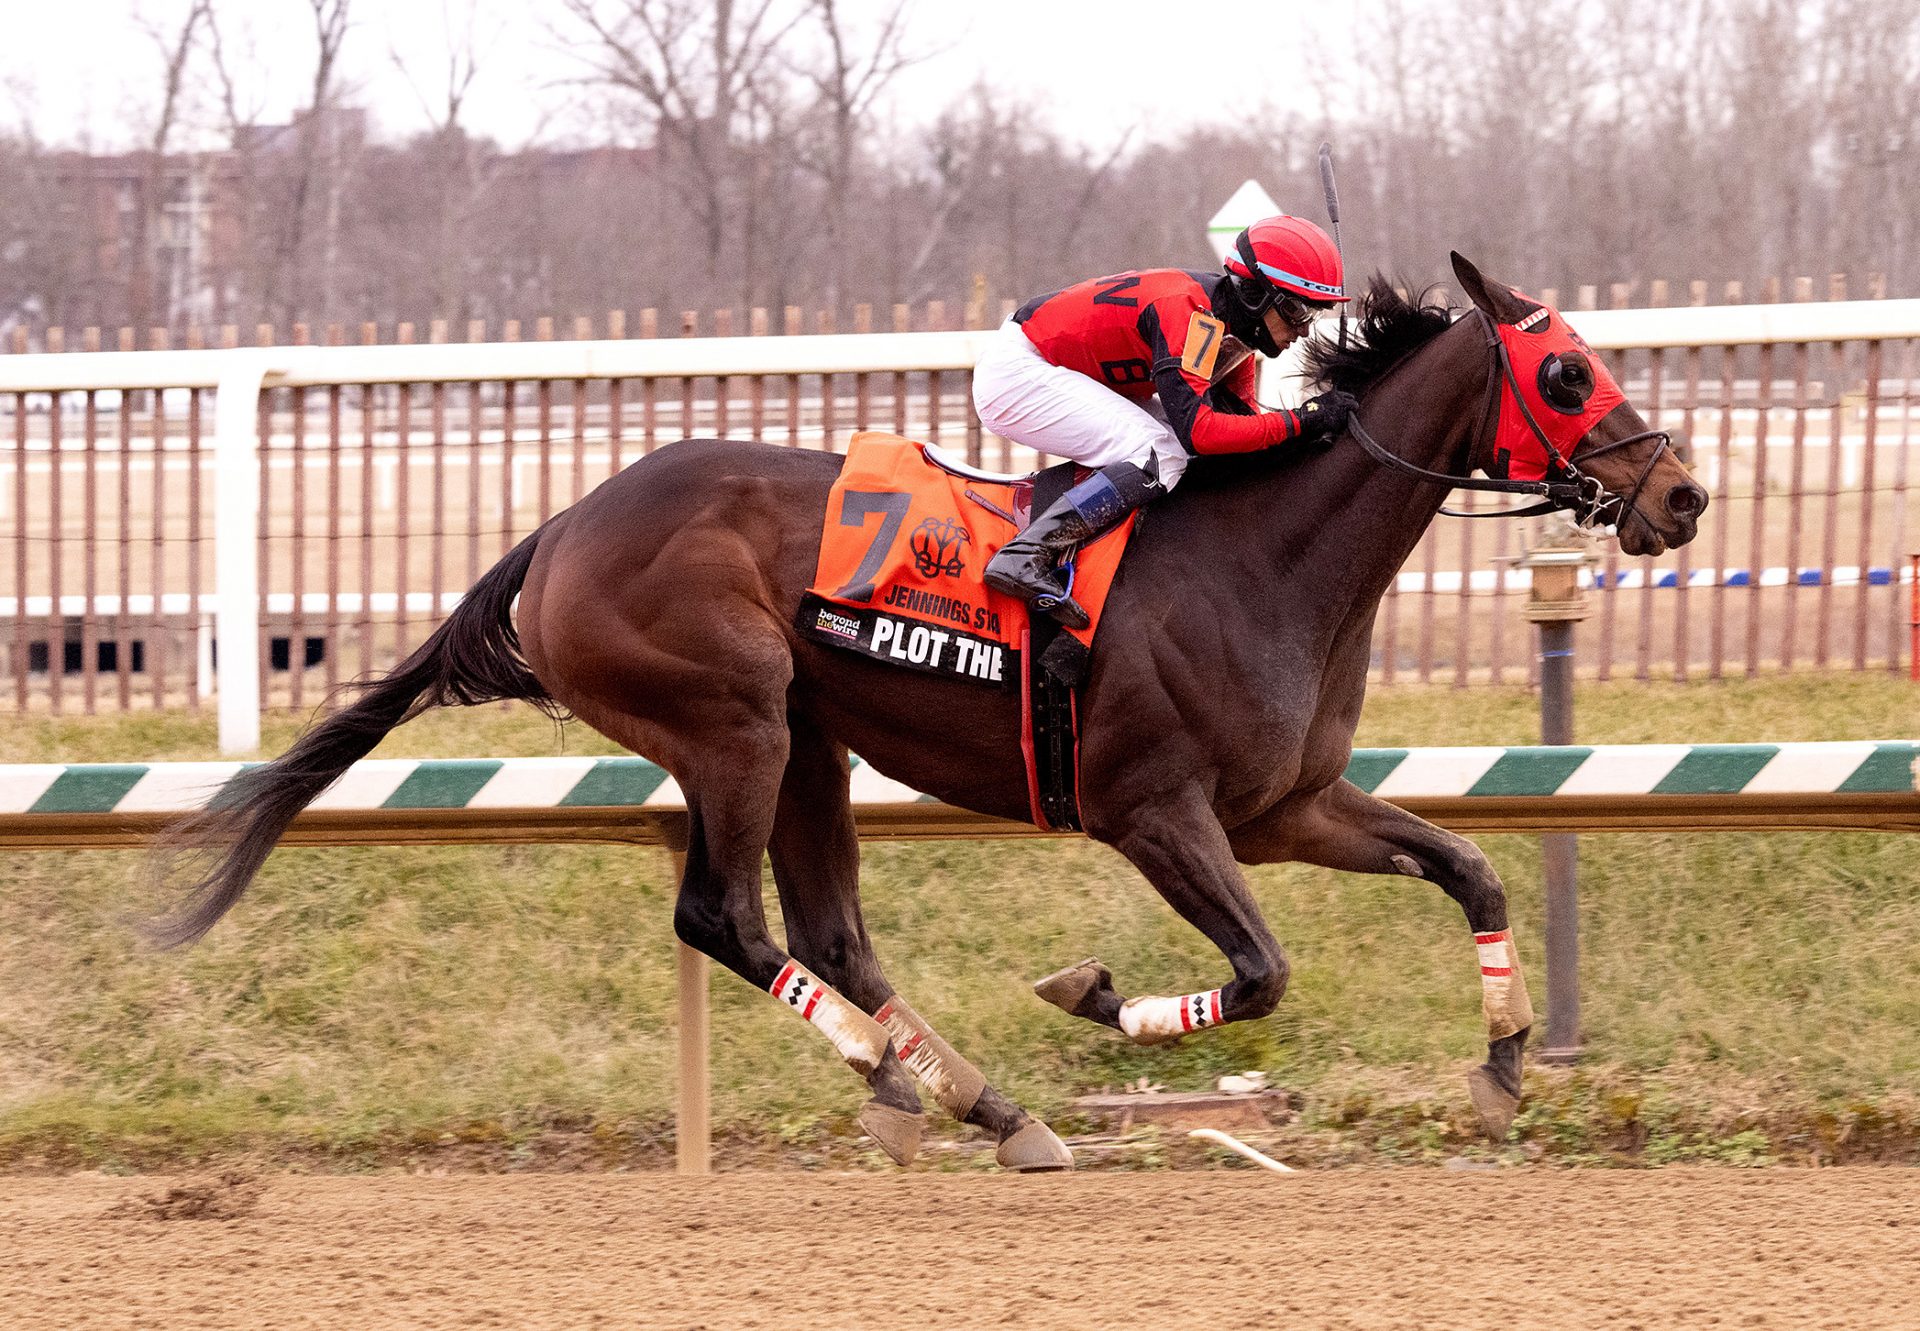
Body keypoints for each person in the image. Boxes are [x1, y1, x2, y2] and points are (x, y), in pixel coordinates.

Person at [972, 214, 1359, 628]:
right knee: (1160, 453)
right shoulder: (1190, 313)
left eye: (1313, 315)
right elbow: (1201, 434)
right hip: (1018, 373)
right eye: (1297, 310)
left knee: (1172, 451)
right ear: (1253, 294)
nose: (1303, 330)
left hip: (1057, 366)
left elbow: (1242, 430)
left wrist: (1304, 437)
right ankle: (1026, 554)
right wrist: (1303, 420)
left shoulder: (1229, 331)